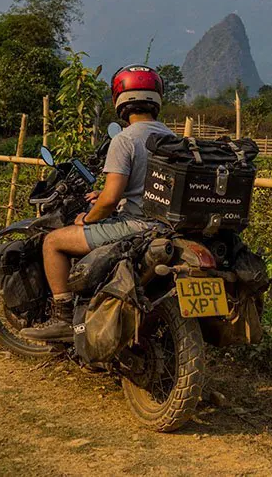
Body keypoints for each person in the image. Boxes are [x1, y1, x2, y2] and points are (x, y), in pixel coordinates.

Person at [20, 64, 175, 342]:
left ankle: (63, 318)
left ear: (120, 102)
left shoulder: (125, 140)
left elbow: (111, 199)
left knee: (52, 242)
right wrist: (105, 196)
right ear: (157, 99)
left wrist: (89, 217)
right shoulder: (173, 139)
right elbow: (149, 187)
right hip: (164, 225)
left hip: (137, 226)